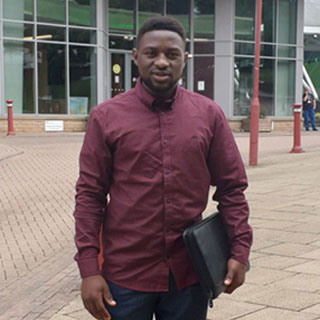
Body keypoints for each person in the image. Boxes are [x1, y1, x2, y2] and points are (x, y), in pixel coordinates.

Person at [74, 16, 252, 320]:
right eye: (151, 53)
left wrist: (240, 250)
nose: (161, 62)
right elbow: (90, 196)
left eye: (171, 55)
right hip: (125, 277)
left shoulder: (209, 115)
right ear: (135, 57)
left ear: (185, 58)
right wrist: (89, 270)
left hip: (189, 275)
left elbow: (232, 188)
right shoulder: (106, 117)